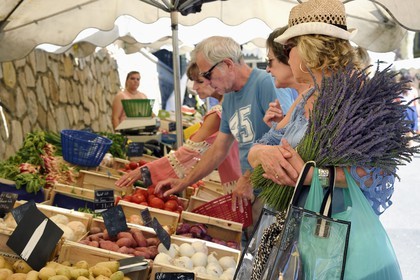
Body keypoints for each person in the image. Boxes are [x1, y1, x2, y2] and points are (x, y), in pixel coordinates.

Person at [248, 0, 398, 215]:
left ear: (307, 49)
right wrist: (264, 154)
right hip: (292, 226)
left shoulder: (362, 98)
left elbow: (379, 172)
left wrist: (312, 176)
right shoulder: (306, 97)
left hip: (333, 233)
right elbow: (263, 145)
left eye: (288, 48)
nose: (286, 57)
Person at [155, 36, 295, 228]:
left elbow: (287, 137)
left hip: (273, 193)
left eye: (207, 74)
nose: (206, 82)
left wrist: (248, 179)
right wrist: (183, 182)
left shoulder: (265, 83)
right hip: (253, 193)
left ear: (228, 64)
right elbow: (218, 150)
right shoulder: (228, 98)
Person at [115, 62, 241, 191]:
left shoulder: (218, 112)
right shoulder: (231, 105)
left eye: (200, 81)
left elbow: (189, 152)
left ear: (216, 78)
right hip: (239, 179)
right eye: (193, 81)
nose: (194, 87)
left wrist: (145, 171)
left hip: (240, 183)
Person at [263, 26, 310, 128]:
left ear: (290, 57)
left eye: (270, 61)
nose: (267, 69)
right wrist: (280, 126)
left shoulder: (315, 98)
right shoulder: (302, 100)